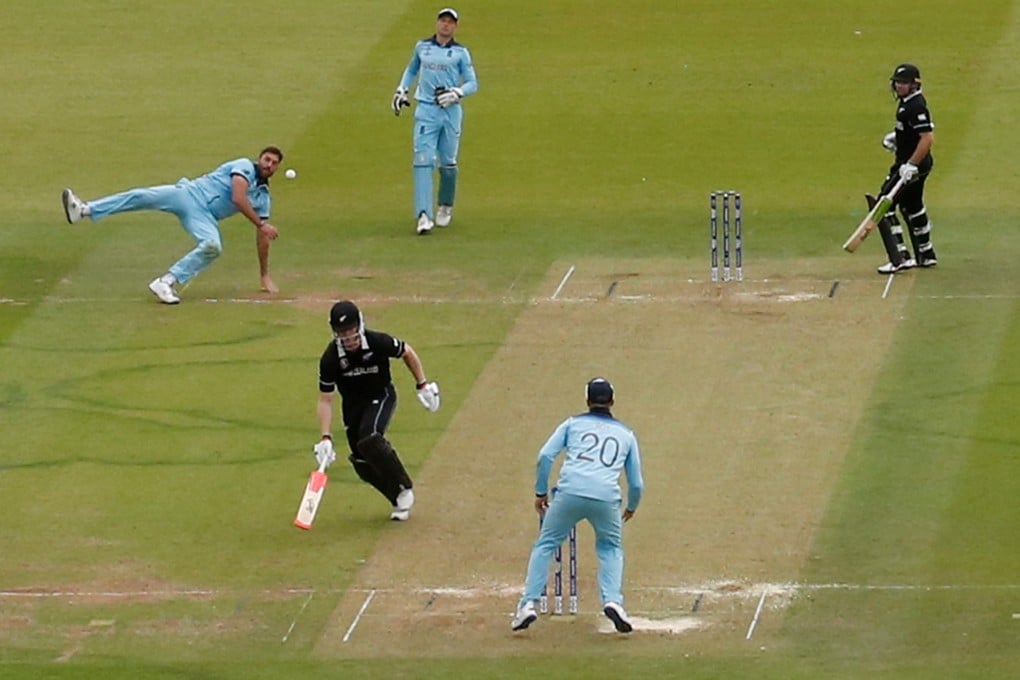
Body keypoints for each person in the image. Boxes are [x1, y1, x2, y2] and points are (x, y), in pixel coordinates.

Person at [60, 147, 284, 304]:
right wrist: (261, 224)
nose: (269, 165)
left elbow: (262, 235)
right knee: (141, 196)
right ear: (259, 158)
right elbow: (238, 196)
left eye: (274, 163)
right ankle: (84, 210)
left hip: (203, 217)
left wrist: (264, 274)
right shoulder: (244, 165)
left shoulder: (263, 198)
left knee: (213, 246)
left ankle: (166, 282)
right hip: (187, 194)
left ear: (277, 169)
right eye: (267, 159)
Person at [511, 378, 645, 634]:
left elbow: (545, 456)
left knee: (546, 544)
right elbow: (636, 483)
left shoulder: (572, 424)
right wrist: (631, 507)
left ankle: (528, 604)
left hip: (569, 492)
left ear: (587, 400)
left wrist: (540, 491)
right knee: (610, 547)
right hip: (607, 498)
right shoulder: (626, 435)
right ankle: (613, 601)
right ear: (613, 402)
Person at [312, 300, 441, 521]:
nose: (349, 338)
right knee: (361, 462)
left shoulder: (376, 341)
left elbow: (406, 352)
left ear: (359, 325)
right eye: (342, 333)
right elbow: (325, 400)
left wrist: (422, 385)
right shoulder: (330, 358)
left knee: (370, 438)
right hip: (353, 406)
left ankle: (404, 485)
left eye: (351, 331)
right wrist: (325, 437)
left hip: (381, 396)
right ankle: (398, 496)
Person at [391, 7, 479, 235]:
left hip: (450, 112)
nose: (445, 25)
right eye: (443, 21)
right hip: (426, 110)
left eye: (450, 22)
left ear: (455, 26)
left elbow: (472, 83)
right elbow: (411, 70)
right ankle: (423, 215)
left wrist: (456, 93)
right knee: (422, 160)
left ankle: (445, 205)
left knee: (448, 162)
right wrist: (402, 90)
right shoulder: (423, 47)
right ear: (437, 23)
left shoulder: (461, 53)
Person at [872, 63, 938, 274]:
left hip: (910, 167)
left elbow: (927, 138)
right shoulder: (907, 103)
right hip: (914, 163)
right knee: (912, 206)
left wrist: (911, 164)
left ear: (914, 85)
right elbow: (917, 131)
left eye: (904, 83)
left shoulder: (914, 106)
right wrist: (897, 138)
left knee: (884, 205)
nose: (899, 86)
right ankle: (926, 255)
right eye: (897, 82)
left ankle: (899, 258)